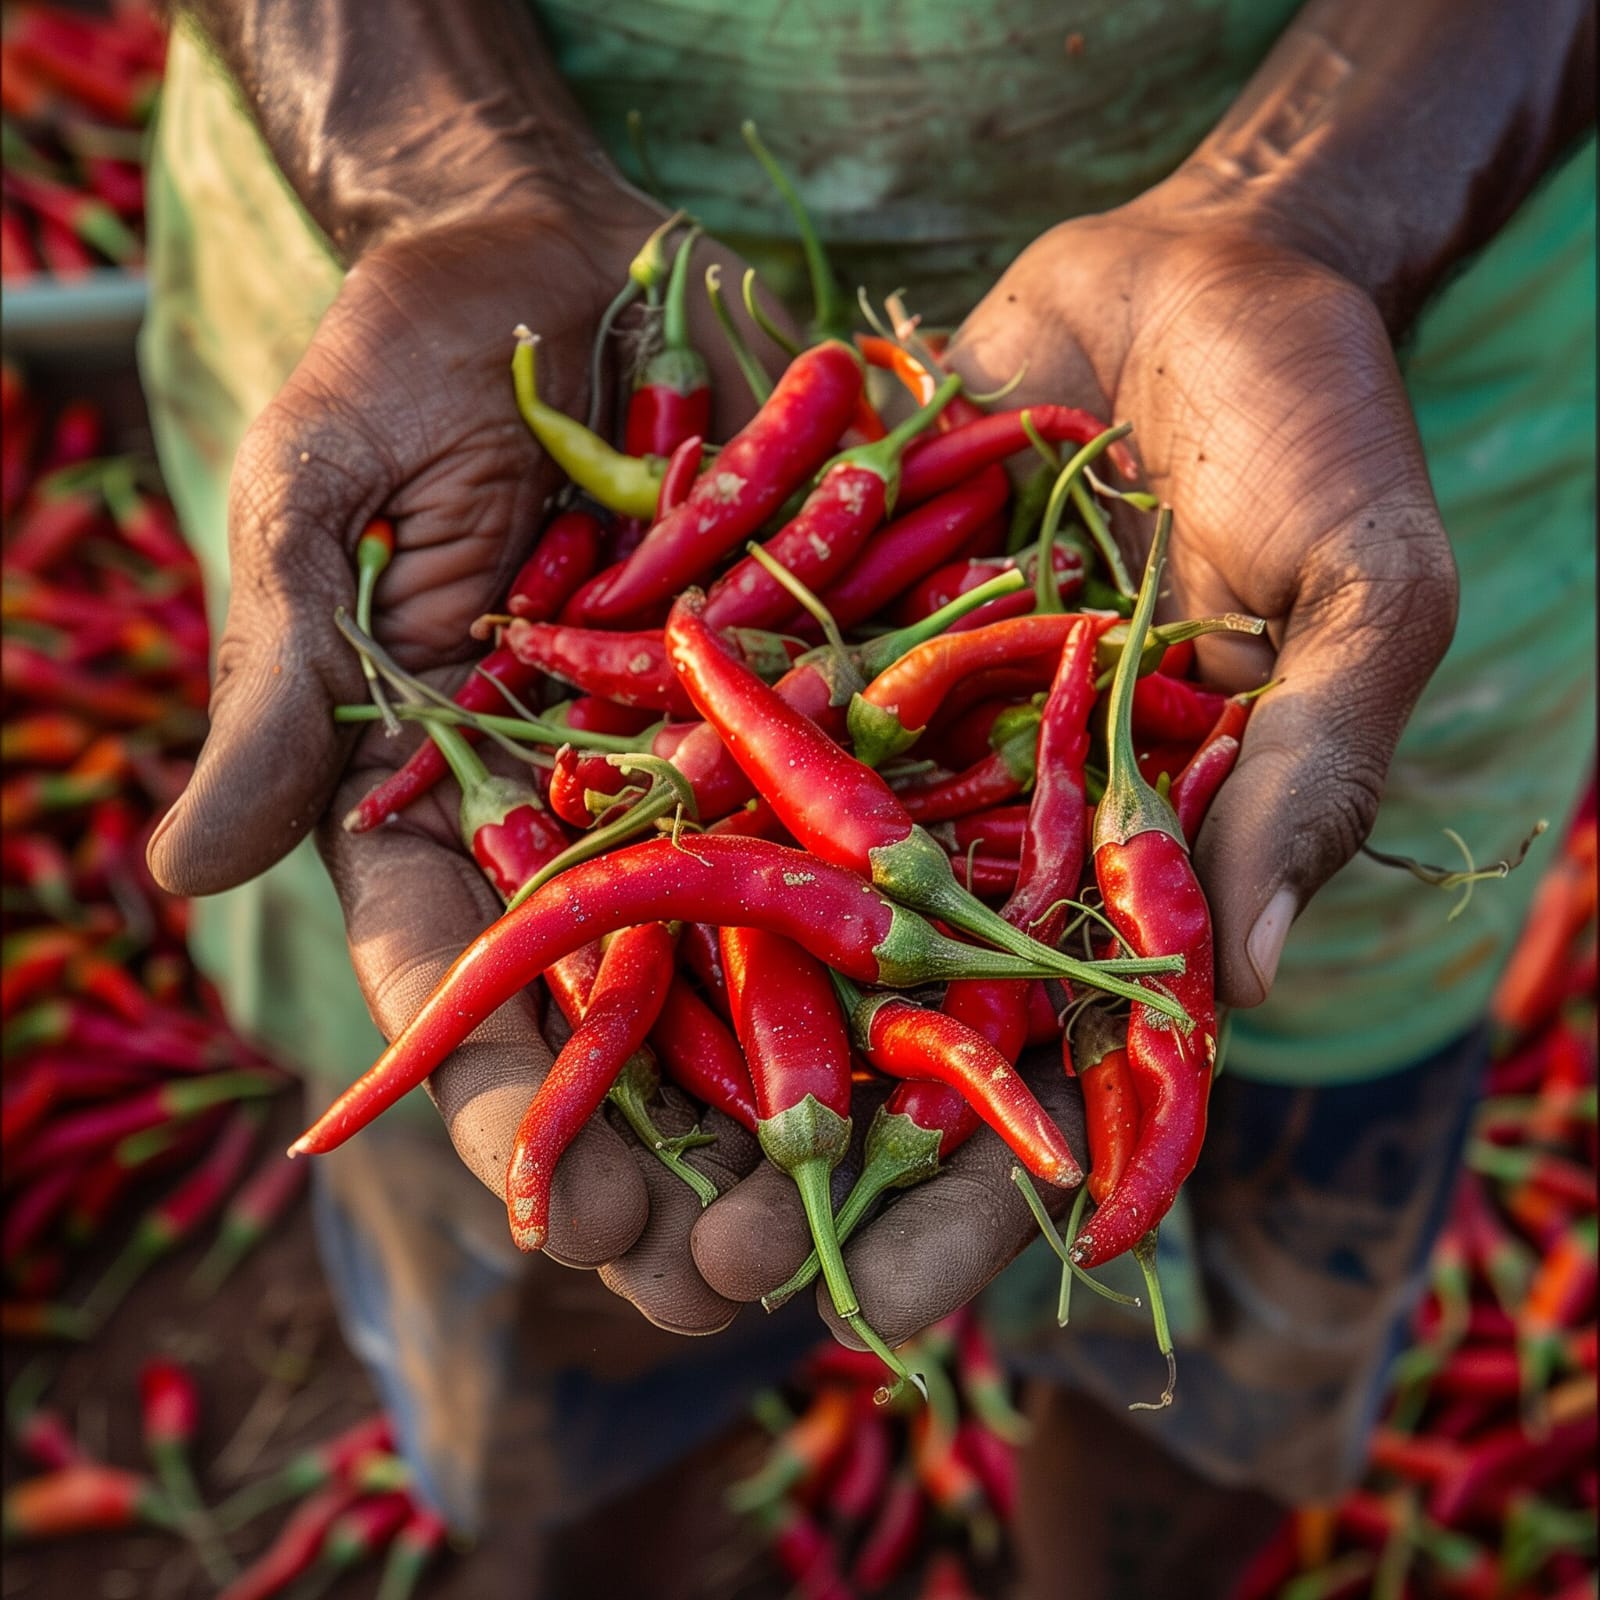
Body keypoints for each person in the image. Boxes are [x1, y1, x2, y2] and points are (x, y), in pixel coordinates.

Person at [140, 1, 1595, 1594]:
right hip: (454, 298)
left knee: (1263, 1230)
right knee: (552, 1294)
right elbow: (698, 790)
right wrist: (448, 181)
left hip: (1354, 367)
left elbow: (726, 774)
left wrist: (1304, 213)